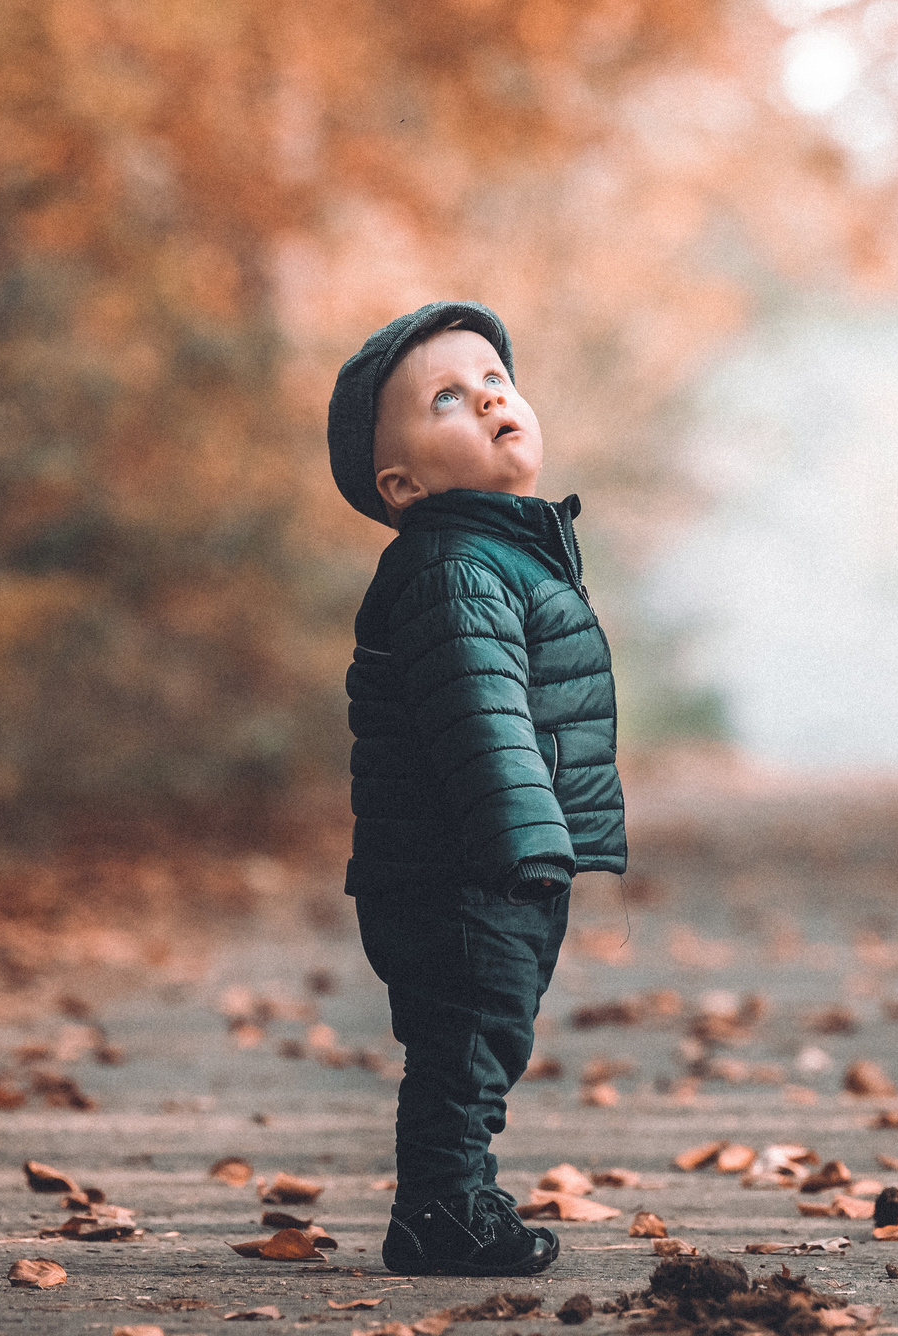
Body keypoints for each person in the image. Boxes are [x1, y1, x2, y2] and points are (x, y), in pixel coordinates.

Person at [324, 301, 627, 1277]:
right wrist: (526, 844)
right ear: (401, 482)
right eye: (447, 396)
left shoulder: (500, 553)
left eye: (495, 378)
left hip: (482, 865)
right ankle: (440, 1211)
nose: (490, 395)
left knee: (481, 1042)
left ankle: (453, 1197)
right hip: (463, 869)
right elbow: (481, 713)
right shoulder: (452, 567)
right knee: (465, 1046)